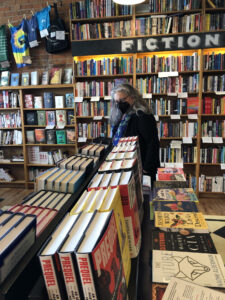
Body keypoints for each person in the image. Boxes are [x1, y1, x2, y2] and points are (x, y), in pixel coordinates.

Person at [110, 83, 160, 186]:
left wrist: (146, 169)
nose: (120, 104)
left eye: (123, 100)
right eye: (117, 102)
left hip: (141, 169)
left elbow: (153, 143)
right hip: (125, 166)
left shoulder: (143, 116)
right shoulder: (121, 116)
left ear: (133, 97)